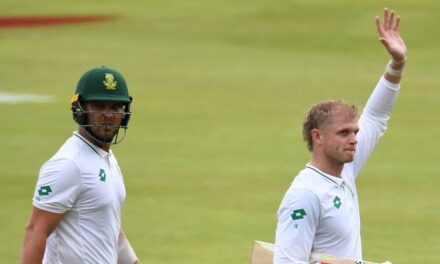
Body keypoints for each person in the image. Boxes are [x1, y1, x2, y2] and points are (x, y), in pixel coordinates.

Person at [273, 8, 407, 264]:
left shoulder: (344, 170)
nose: (354, 138)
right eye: (344, 133)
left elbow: (376, 117)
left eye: (355, 132)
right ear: (317, 136)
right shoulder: (305, 194)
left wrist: (397, 64)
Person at [20, 66, 139, 264]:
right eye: (99, 107)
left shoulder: (107, 158)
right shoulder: (68, 164)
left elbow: (108, 228)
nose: (108, 115)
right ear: (80, 109)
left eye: (115, 107)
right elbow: (35, 231)